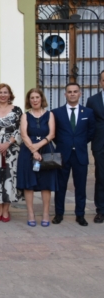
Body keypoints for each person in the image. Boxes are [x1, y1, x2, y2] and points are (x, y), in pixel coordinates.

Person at [52, 83, 95, 226]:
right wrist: (65, 143)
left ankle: (80, 215)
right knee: (60, 187)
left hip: (80, 155)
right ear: (65, 94)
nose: (72, 94)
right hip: (62, 154)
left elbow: (91, 132)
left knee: (80, 187)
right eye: (69, 92)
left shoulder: (88, 112)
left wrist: (78, 143)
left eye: (75, 91)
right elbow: (54, 134)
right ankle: (59, 214)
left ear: (80, 94)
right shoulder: (56, 113)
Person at [17, 88, 58, 227]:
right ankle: (30, 213)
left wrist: (38, 146)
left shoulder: (50, 114)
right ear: (29, 100)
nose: (34, 100)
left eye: (37, 97)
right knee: (29, 184)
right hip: (28, 151)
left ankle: (46, 213)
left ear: (41, 99)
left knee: (46, 184)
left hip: (46, 150)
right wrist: (33, 150)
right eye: (32, 98)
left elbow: (51, 134)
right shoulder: (25, 116)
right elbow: (23, 134)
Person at [0, 84, 23, 222]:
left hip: (12, 150)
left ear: (9, 95)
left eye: (5, 92)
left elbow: (20, 129)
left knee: (9, 178)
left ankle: (6, 210)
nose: (3, 95)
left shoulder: (17, 110)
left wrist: (8, 143)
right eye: (0, 92)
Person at [87, 70, 104, 224]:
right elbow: (89, 124)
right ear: (100, 82)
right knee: (101, 177)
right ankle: (101, 211)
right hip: (100, 145)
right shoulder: (92, 100)